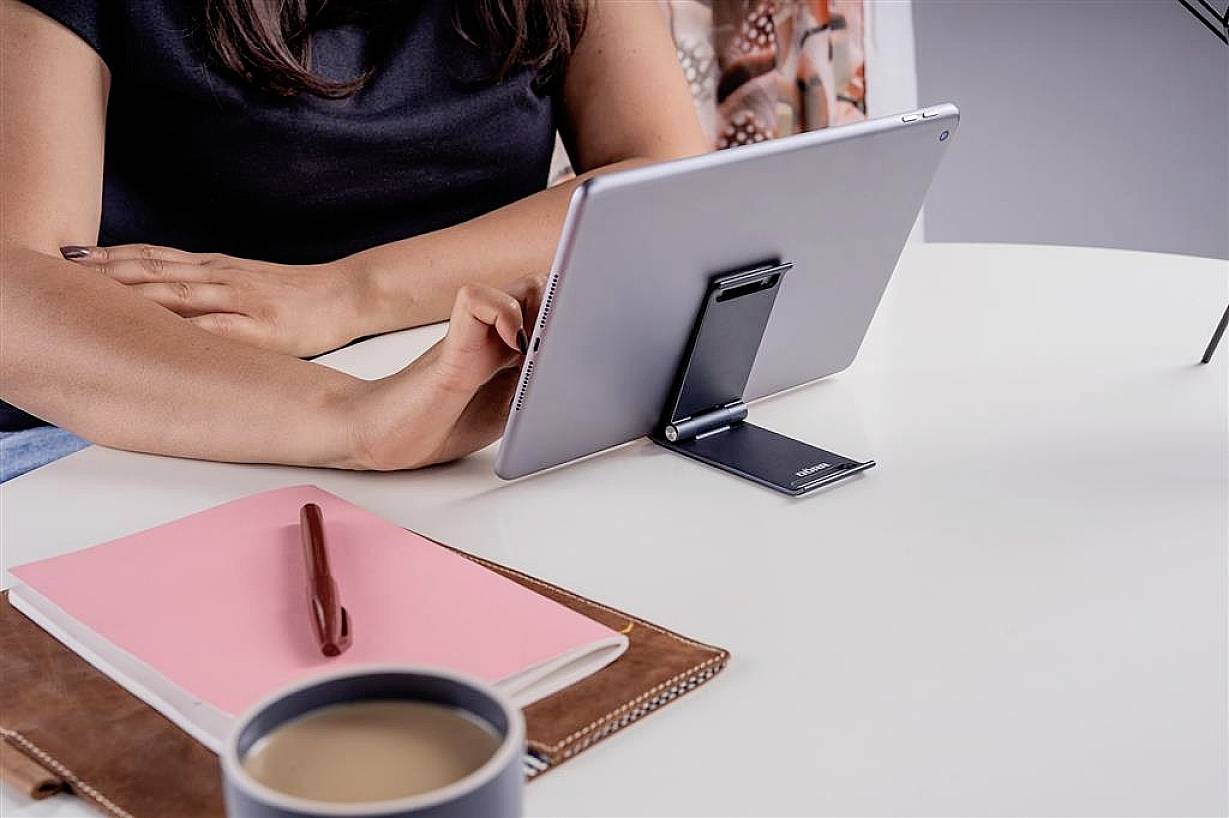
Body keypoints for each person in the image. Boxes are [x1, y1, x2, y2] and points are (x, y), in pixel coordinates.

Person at [0, 0, 708, 481]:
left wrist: (347, 294)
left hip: (447, 385)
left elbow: (666, 180)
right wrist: (353, 420)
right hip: (140, 417)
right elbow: (12, 287)